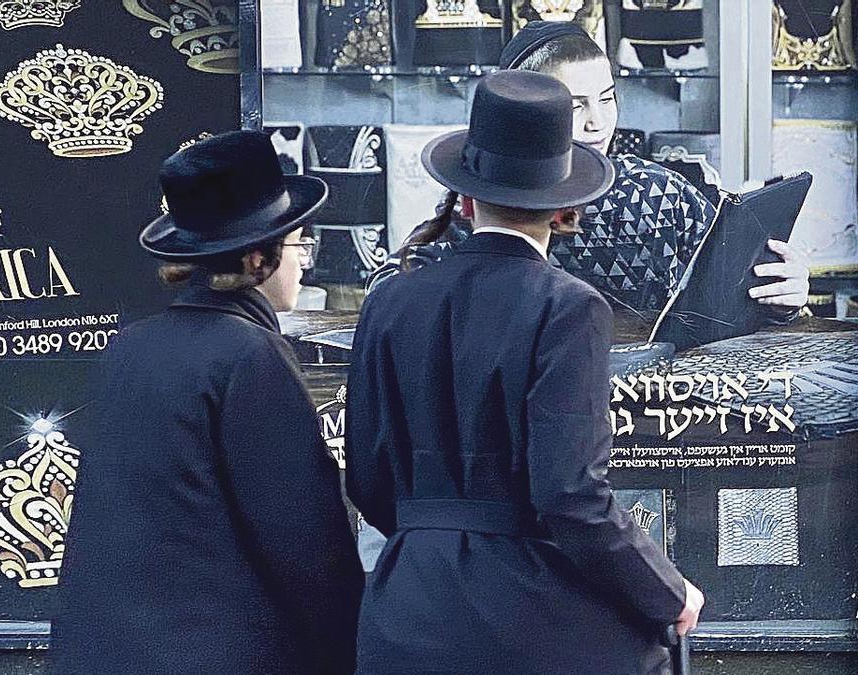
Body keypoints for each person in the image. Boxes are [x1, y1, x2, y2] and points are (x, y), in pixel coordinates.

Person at [346, 71, 705, 674]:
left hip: (404, 615)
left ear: (465, 199)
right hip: (527, 624)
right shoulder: (570, 307)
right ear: (566, 208)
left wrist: (437, 533)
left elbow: (367, 479)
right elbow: (571, 497)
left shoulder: (390, 300)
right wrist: (669, 592)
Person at [51, 131, 364, 674]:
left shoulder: (130, 348)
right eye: (298, 244)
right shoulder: (250, 355)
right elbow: (307, 546)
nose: (304, 263)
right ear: (258, 256)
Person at [366, 21, 810, 318]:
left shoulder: (658, 193)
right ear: (525, 113)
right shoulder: (487, 206)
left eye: (607, 97)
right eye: (576, 106)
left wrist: (785, 295)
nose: (598, 123)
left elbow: (740, 292)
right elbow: (386, 295)